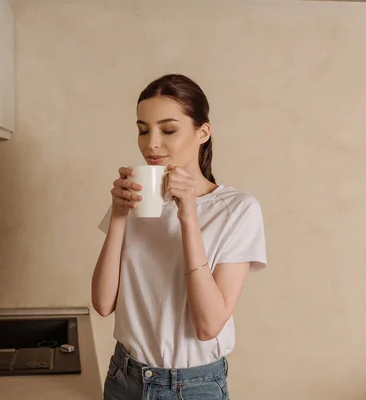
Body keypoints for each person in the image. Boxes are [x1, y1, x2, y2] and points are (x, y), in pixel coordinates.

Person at [91, 74, 267, 400]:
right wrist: (118, 215)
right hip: (125, 378)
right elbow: (103, 304)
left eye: (168, 130)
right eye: (143, 130)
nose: (151, 143)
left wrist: (188, 217)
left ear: (203, 132)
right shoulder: (137, 200)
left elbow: (208, 325)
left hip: (194, 387)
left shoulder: (238, 209)